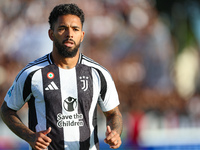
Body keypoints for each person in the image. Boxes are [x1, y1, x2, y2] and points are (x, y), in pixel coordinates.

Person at [0, 3, 123, 150]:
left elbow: (113, 113)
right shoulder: (32, 73)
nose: (69, 34)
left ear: (82, 35)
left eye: (75, 29)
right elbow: (7, 110)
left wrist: (115, 133)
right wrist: (29, 136)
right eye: (62, 28)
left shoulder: (98, 73)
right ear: (51, 34)